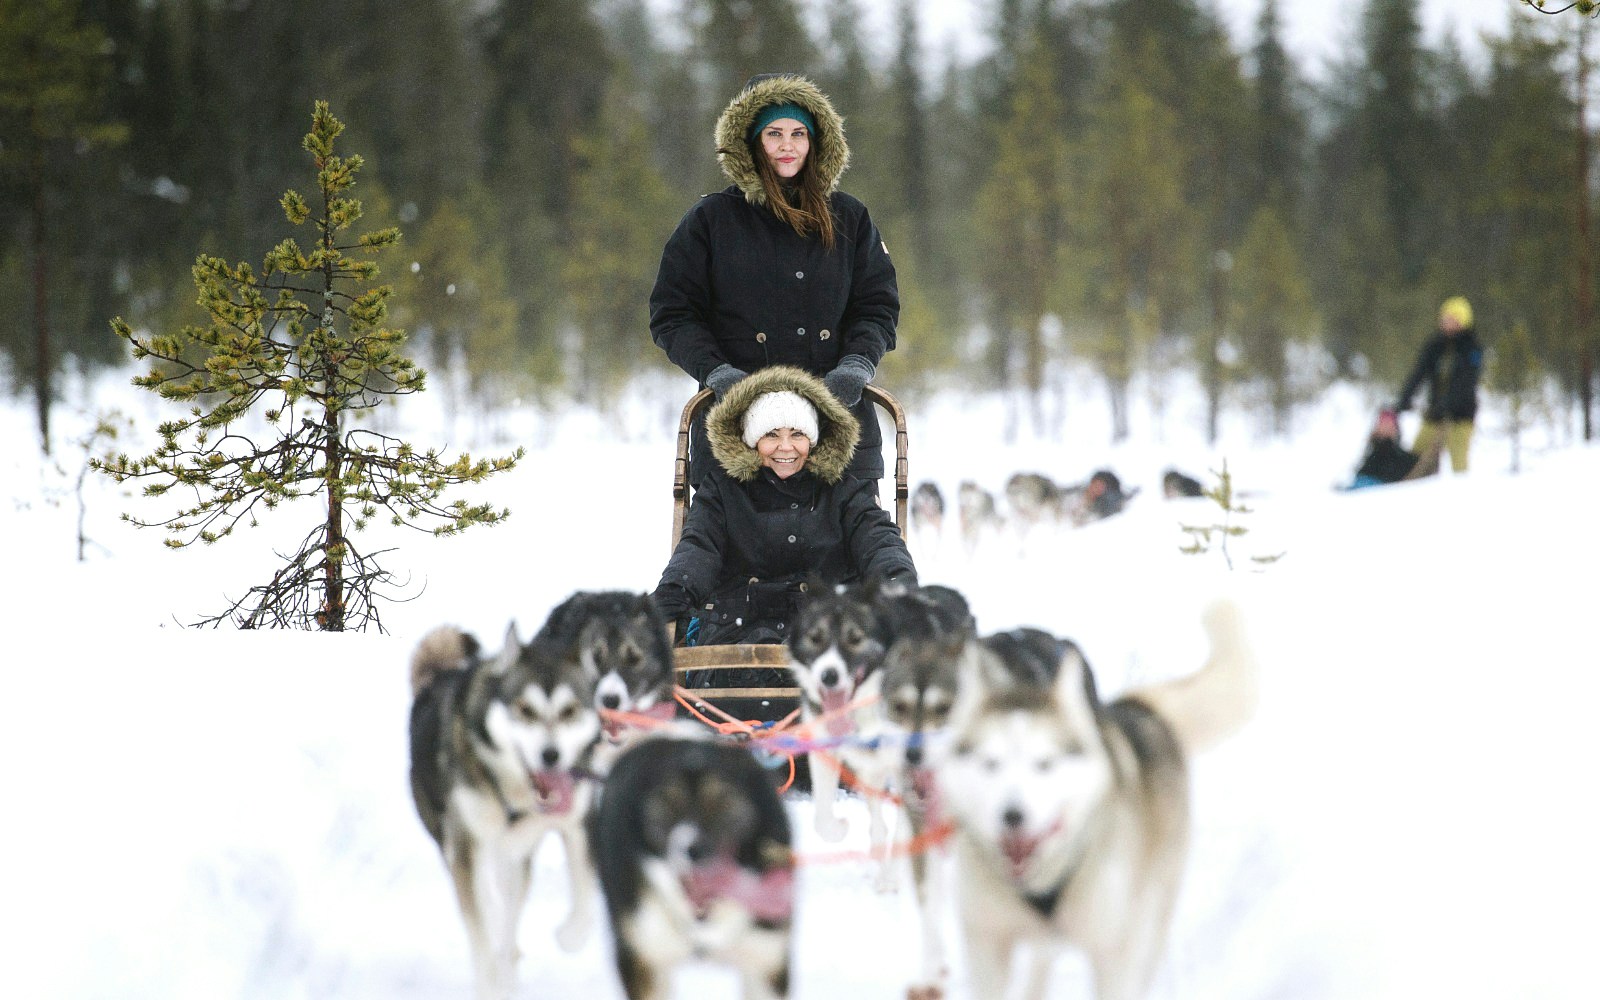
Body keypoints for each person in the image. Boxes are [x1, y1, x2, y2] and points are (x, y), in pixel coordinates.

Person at [650, 73, 898, 489]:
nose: (788, 145)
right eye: (774, 133)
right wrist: (718, 374)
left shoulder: (850, 217)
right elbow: (673, 315)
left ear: (817, 141)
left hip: (836, 425)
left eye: (799, 133)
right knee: (727, 550)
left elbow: (877, 307)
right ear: (750, 141)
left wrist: (857, 364)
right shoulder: (709, 221)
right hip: (737, 431)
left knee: (859, 547)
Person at [652, 365, 916, 653]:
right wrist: (675, 591)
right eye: (772, 435)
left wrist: (897, 583)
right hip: (737, 625)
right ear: (753, 440)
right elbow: (699, 548)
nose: (786, 447)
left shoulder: (843, 489)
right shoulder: (722, 490)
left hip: (828, 626)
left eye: (798, 434)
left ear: (812, 440)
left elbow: (877, 539)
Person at [1393, 296, 1484, 474]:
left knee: (1459, 463)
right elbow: (1419, 374)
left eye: (1453, 320)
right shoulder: (1435, 345)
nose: (1448, 323)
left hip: (1460, 416)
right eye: (1445, 319)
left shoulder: (1471, 348)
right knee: (1417, 458)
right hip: (1435, 413)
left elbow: (1467, 382)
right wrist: (1405, 398)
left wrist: (1449, 404)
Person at [1348, 408, 1419, 489]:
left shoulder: (1403, 458)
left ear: (1395, 429)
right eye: (1382, 423)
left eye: (1388, 423)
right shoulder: (1371, 453)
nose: (1384, 427)